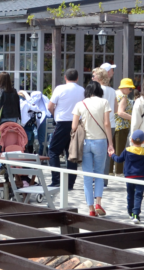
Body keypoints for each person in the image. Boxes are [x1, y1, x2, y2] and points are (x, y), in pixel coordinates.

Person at [72, 80, 114, 217]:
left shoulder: (80, 104)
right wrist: (111, 143)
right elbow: (107, 124)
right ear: (99, 91)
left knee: (87, 176)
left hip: (84, 142)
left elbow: (73, 127)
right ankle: (98, 203)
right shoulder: (104, 102)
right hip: (100, 141)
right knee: (99, 173)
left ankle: (90, 209)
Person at [48, 68, 83, 189]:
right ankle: (70, 183)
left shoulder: (60, 88)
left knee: (53, 151)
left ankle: (56, 180)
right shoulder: (82, 90)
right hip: (76, 123)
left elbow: (50, 106)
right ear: (77, 78)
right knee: (71, 153)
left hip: (62, 122)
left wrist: (54, 115)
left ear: (65, 78)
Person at [111, 129, 144, 224]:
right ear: (143, 141)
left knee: (130, 194)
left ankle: (130, 212)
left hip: (129, 177)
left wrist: (112, 155)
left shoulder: (127, 150)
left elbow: (119, 160)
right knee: (138, 196)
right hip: (140, 177)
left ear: (131, 140)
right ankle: (136, 214)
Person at [107, 78, 135, 177]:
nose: (131, 91)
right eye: (130, 88)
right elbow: (120, 112)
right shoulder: (123, 96)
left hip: (112, 124)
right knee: (120, 149)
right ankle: (119, 172)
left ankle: (109, 170)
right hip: (122, 125)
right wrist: (133, 118)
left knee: (111, 148)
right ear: (125, 87)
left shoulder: (114, 93)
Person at [18, 89, 48, 155]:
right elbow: (34, 107)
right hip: (27, 126)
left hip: (19, 125)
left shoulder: (19, 103)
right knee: (30, 142)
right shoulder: (26, 103)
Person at [93, 63, 118, 132]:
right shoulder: (113, 91)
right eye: (112, 70)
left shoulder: (96, 89)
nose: (113, 72)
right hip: (111, 124)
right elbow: (116, 109)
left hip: (99, 123)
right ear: (107, 72)